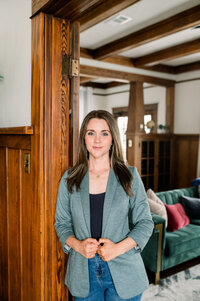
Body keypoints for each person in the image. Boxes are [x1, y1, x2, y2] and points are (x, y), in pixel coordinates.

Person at [54, 110, 154, 301]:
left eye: (104, 133)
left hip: (124, 269)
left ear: (113, 138)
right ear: (84, 137)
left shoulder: (129, 176)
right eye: (91, 133)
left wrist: (117, 249)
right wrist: (78, 245)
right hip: (84, 273)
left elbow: (145, 223)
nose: (97, 139)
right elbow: (62, 223)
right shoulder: (69, 178)